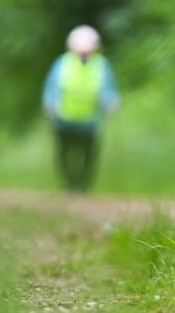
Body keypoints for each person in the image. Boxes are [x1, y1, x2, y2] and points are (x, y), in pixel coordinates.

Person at [41, 25, 119, 192]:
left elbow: (108, 88)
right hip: (64, 119)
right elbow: (52, 87)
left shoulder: (101, 65)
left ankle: (83, 186)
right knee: (64, 154)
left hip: (90, 121)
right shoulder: (62, 63)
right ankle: (70, 184)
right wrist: (49, 103)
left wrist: (110, 102)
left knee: (89, 156)